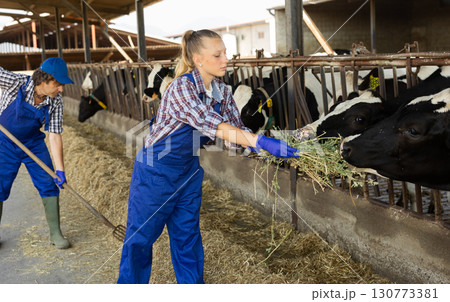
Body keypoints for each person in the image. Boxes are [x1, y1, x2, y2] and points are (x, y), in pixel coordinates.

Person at [117, 29, 299, 284]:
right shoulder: (180, 87)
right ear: (198, 59)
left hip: (188, 172)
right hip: (156, 170)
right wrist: (258, 141)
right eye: (218, 54)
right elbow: (210, 123)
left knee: (187, 237)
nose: (226, 59)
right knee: (140, 239)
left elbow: (236, 131)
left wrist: (263, 147)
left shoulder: (223, 92)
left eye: (225, 53)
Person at [0, 57, 73, 249]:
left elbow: (55, 135)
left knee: (48, 182)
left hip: (33, 144)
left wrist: (60, 170)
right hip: (4, 142)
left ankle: (55, 233)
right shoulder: (16, 83)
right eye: (58, 84)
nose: (61, 89)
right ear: (44, 80)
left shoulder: (55, 101)